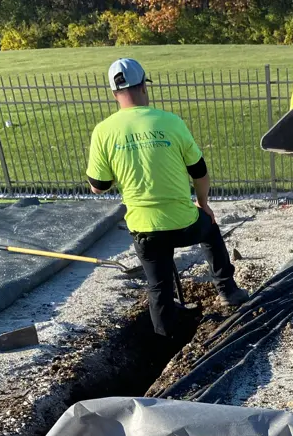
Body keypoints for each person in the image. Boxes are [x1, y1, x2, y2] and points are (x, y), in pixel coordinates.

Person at [87, 57, 248, 340]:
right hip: (184, 222)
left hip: (144, 229)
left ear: (114, 94)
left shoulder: (103, 131)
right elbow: (200, 171)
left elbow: (99, 186)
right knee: (209, 228)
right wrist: (203, 204)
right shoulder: (170, 122)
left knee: (158, 286)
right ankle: (228, 291)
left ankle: (164, 340)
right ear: (144, 87)